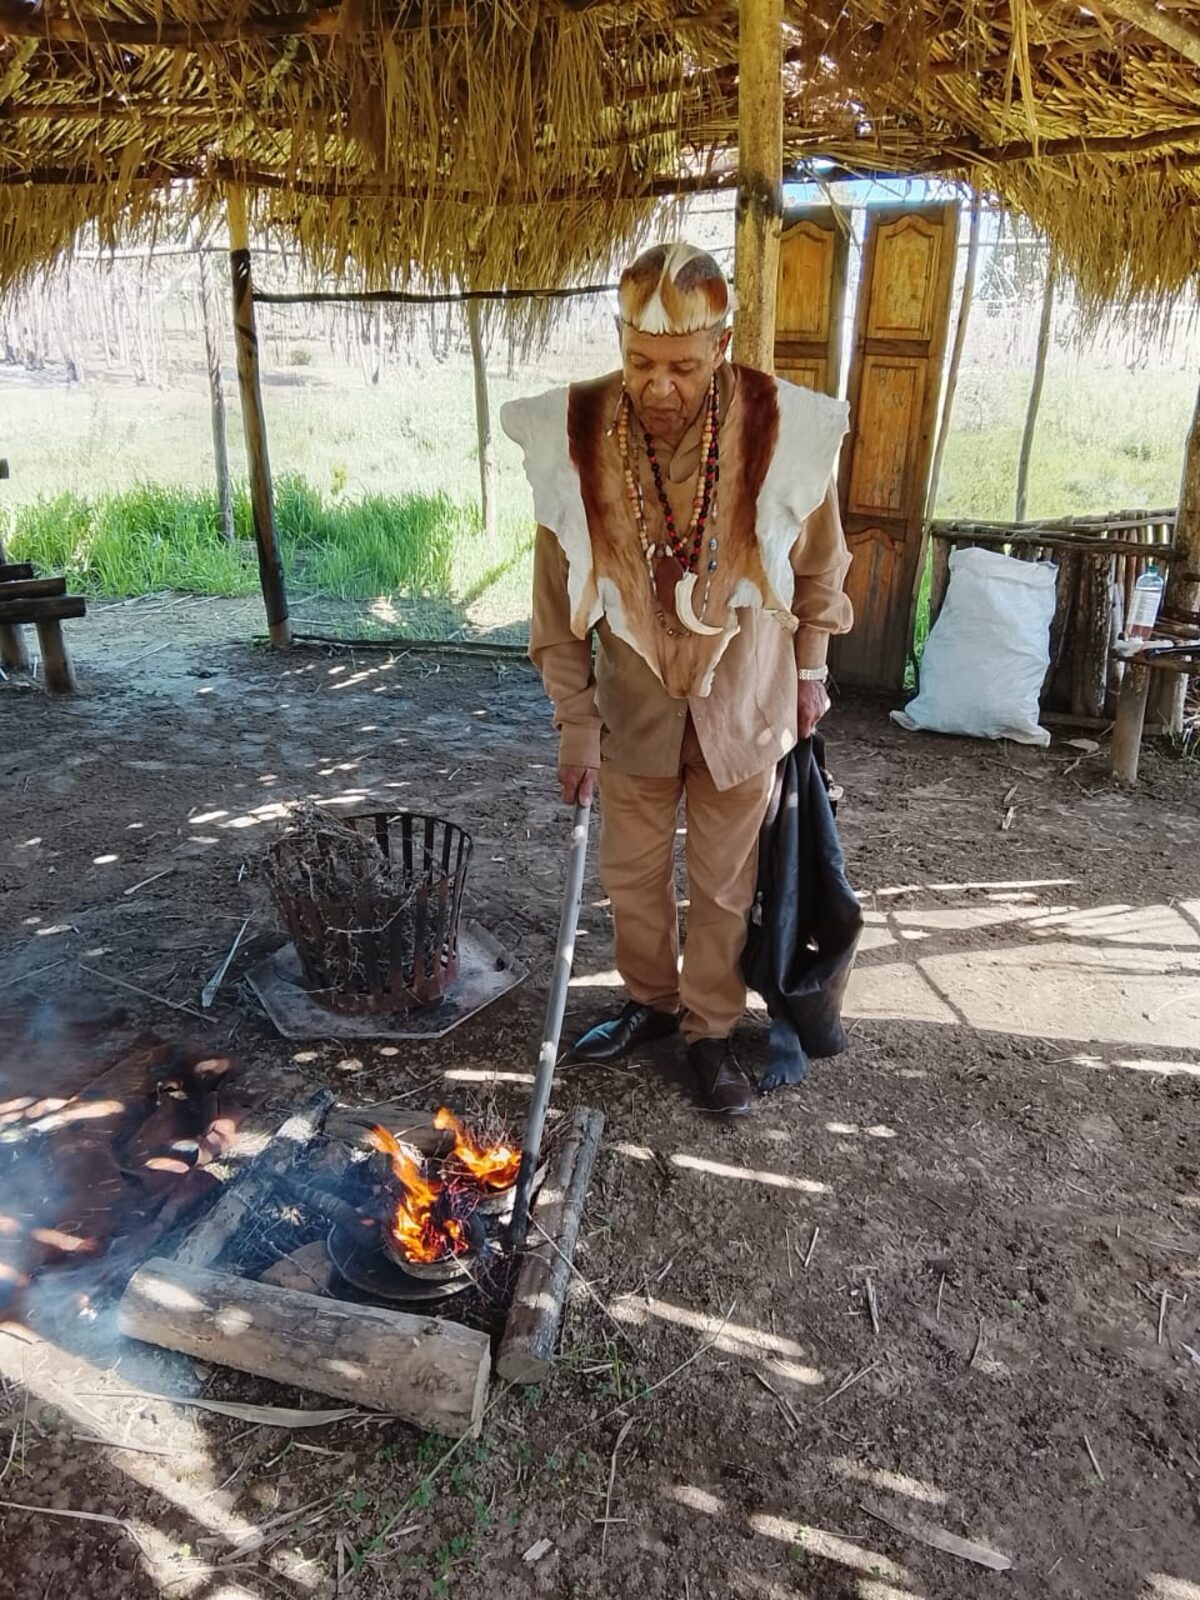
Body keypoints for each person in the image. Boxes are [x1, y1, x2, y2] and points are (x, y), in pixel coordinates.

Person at [501, 241, 852, 1116]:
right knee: (631, 876)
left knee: (728, 884)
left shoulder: (784, 432)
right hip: (632, 711)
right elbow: (556, 607)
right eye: (641, 363)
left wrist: (810, 671)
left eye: (684, 367)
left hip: (744, 704)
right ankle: (652, 1003)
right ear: (619, 344)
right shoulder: (578, 437)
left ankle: (710, 1029)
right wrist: (575, 724)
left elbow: (820, 571)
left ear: (723, 346)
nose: (660, 386)